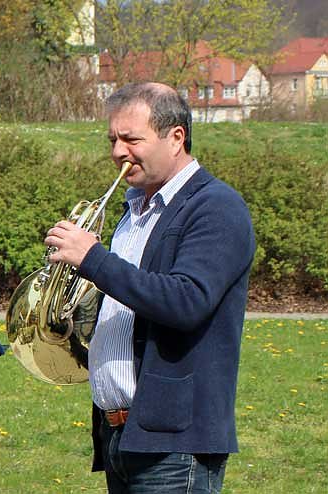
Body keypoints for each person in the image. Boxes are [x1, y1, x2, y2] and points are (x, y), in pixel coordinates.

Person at [43, 82, 256, 493]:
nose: (118, 152)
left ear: (175, 137)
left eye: (131, 139)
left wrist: (93, 259)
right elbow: (127, 302)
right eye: (112, 140)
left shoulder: (216, 206)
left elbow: (186, 300)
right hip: (120, 436)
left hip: (175, 444)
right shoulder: (133, 210)